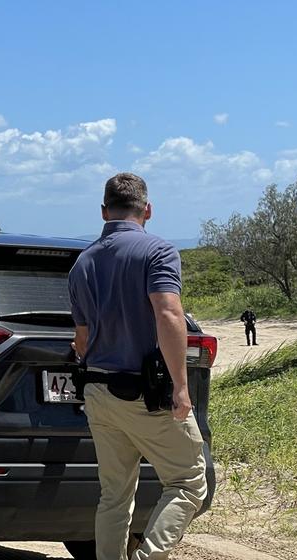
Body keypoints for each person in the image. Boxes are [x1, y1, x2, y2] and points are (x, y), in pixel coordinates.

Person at [68, 173, 208, 560]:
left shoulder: (82, 264)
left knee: (114, 495)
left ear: (102, 211)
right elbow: (168, 313)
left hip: (98, 392)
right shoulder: (158, 252)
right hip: (146, 395)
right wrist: (180, 386)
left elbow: (81, 340)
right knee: (187, 482)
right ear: (148, 209)